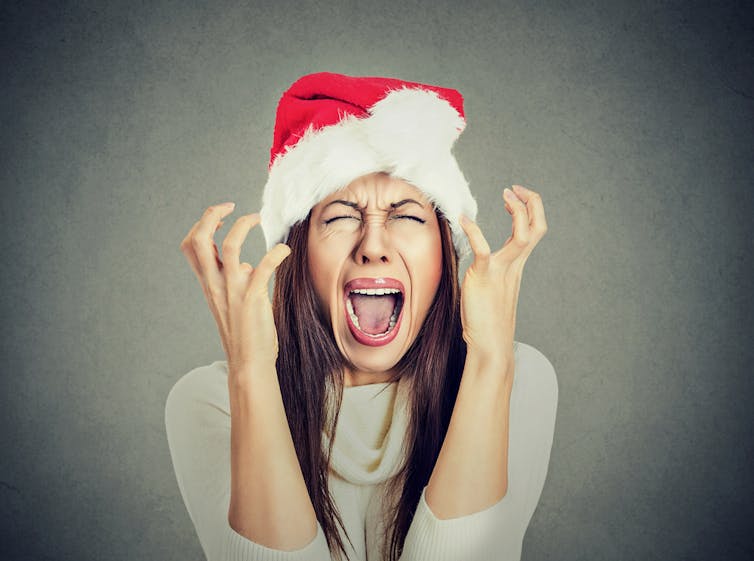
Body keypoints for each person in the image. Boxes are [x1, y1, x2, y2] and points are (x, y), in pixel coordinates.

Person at [166, 72, 558, 561]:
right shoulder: (210, 401)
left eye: (408, 215)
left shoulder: (517, 380)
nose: (373, 246)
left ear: (444, 254)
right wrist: (251, 373)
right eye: (341, 216)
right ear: (298, 256)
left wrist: (490, 359)